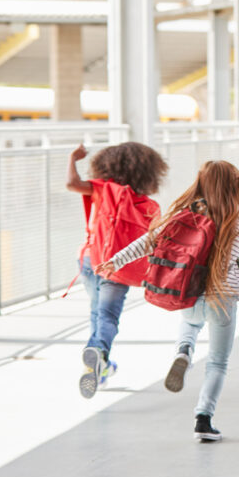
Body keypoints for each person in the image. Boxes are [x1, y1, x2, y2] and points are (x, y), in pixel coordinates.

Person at [97, 161, 239, 442]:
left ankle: (183, 352)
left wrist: (115, 260)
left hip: (189, 294)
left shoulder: (185, 215)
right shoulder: (237, 220)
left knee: (190, 324)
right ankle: (203, 419)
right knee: (218, 363)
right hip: (223, 299)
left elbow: (148, 242)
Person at [66, 142, 168, 399]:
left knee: (97, 312)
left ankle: (100, 364)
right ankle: (99, 353)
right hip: (119, 268)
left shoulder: (102, 189)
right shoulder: (149, 206)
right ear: (148, 172)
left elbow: (71, 183)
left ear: (107, 165)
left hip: (90, 259)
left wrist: (72, 158)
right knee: (107, 316)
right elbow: (154, 244)